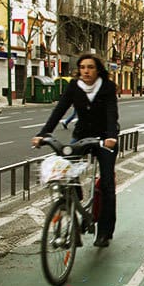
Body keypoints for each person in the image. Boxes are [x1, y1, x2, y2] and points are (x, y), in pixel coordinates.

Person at [31, 54, 119, 248]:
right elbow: (59, 110)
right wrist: (42, 134)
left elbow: (112, 113)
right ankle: (75, 200)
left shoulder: (107, 87)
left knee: (106, 185)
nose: (86, 71)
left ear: (98, 70)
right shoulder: (74, 86)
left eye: (90, 67)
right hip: (82, 135)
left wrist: (111, 137)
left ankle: (105, 231)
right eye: (82, 67)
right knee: (66, 170)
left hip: (104, 138)